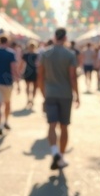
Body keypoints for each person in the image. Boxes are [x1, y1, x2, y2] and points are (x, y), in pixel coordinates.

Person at [38, 28, 79, 170]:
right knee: (64, 126)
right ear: (65, 38)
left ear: (55, 37)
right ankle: (61, 156)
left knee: (51, 125)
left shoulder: (45, 53)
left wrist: (43, 92)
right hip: (65, 94)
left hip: (50, 93)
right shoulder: (70, 54)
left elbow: (41, 75)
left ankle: (54, 151)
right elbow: (73, 77)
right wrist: (77, 95)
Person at [21, 42, 41, 106]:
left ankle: (29, 99)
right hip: (34, 72)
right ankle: (31, 99)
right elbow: (39, 64)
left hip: (28, 71)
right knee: (34, 87)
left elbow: (21, 64)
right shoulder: (37, 55)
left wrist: (19, 71)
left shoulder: (26, 55)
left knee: (28, 87)